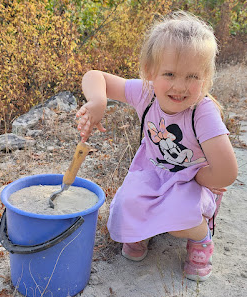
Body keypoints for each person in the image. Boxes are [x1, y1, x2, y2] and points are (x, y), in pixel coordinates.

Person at [76, 11, 238, 281]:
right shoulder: (145, 92)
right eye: (170, 73)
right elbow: (95, 77)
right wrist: (98, 102)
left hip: (191, 180)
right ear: (150, 72)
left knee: (178, 218)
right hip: (151, 173)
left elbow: (227, 173)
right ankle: (141, 232)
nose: (179, 86)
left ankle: (201, 239)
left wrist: (199, 175)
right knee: (125, 206)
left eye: (192, 77)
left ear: (206, 78)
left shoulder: (203, 112)